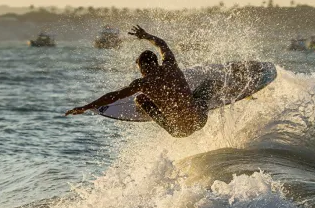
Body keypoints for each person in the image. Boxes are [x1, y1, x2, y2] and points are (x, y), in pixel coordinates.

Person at [65, 25, 222, 138]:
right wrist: (146, 35)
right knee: (209, 84)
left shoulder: (142, 83)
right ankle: (219, 90)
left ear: (143, 66)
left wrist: (86, 107)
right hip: (199, 120)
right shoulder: (170, 65)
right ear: (156, 62)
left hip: (179, 131)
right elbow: (162, 44)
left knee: (140, 98)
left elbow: (113, 96)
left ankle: (144, 108)